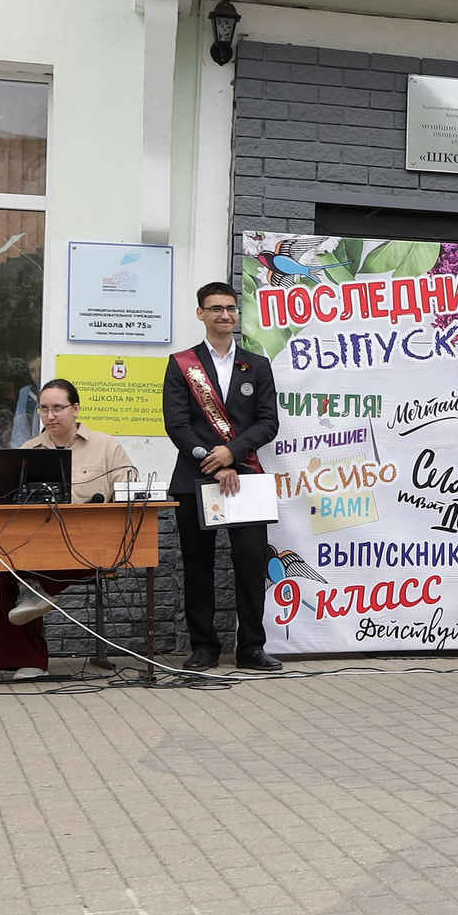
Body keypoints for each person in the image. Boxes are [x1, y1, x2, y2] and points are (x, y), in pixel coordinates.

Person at [162, 281, 282, 674]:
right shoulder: (182, 364)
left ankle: (250, 647)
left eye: (230, 308)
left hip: (245, 477)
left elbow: (268, 422)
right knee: (198, 567)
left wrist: (233, 452)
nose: (224, 315)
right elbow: (177, 424)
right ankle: (204, 648)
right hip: (195, 478)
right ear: (201, 313)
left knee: (250, 564)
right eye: (215, 308)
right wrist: (212, 458)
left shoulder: (256, 365)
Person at [0, 379, 141, 681]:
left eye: (58, 408)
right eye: (44, 409)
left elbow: (131, 493)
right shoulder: (29, 449)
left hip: (94, 543)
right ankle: (30, 658)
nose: (50, 416)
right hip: (41, 545)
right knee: (7, 567)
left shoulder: (105, 445)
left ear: (75, 409)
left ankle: (34, 594)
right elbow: (11, 504)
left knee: (23, 577)